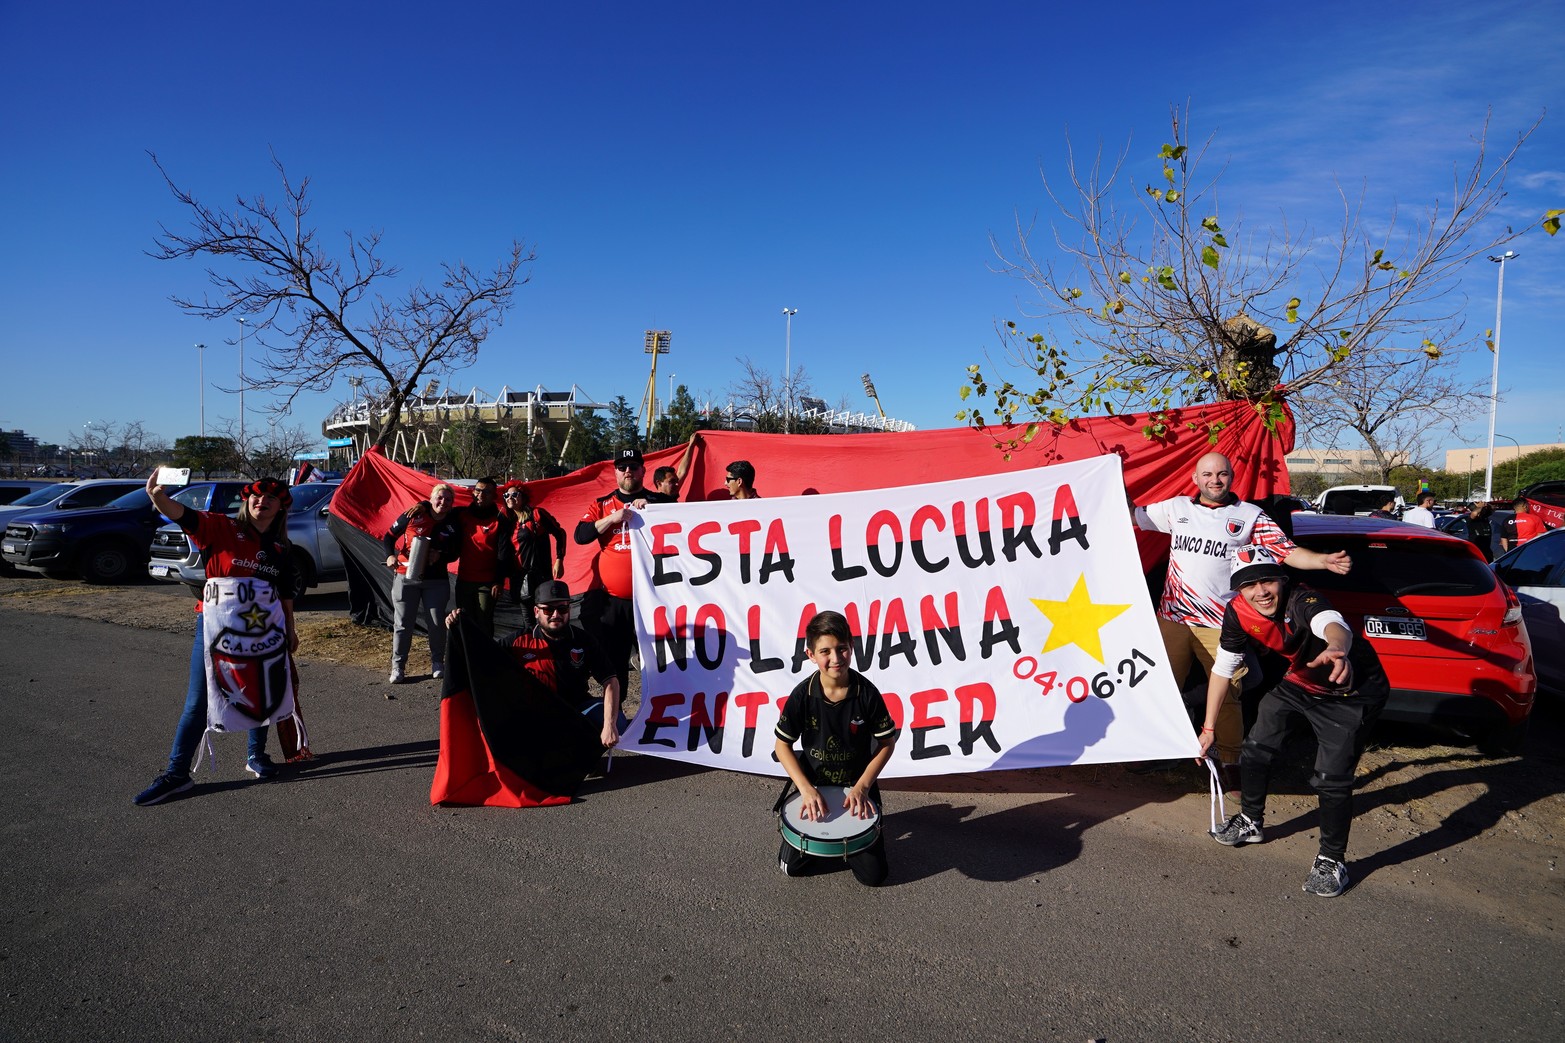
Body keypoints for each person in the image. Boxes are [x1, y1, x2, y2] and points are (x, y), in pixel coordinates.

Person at [1133, 451, 1352, 765]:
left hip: (1221, 626)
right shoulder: (1176, 508)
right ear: (1195, 479)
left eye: (1221, 474)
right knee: (1160, 692)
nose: (1215, 480)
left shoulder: (1249, 515)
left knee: (1228, 699)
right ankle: (1151, 753)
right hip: (1172, 619)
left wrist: (1322, 561)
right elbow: (1130, 515)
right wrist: (1112, 477)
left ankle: (1233, 766)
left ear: (1231, 477)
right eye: (1207, 475)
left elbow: (1286, 553)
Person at [1200, 545, 1388, 898]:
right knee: (1255, 748)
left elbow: (1333, 624)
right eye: (1249, 585)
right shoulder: (1237, 612)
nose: (1261, 592)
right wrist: (1209, 728)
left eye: (1268, 580)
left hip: (1350, 692)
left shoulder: (1302, 599)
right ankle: (1251, 821)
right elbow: (1223, 669)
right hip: (1300, 681)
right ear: (1238, 590)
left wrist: (1337, 648)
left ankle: (1332, 860)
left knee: (1331, 778)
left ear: (1282, 581)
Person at [133, 472, 299, 806]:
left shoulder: (282, 549)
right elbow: (183, 515)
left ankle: (256, 755)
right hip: (215, 630)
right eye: (255, 496)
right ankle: (177, 774)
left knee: (261, 690)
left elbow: (284, 594)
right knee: (199, 701)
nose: (261, 502)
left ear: (281, 507)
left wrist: (291, 630)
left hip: (264, 632)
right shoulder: (221, 527)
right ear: (246, 500)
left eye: (270, 498)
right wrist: (157, 497)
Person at [774, 610, 900, 886]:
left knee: (874, 877)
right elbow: (782, 745)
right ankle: (828, 843)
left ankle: (850, 843)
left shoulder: (867, 693)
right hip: (815, 786)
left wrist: (863, 786)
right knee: (790, 868)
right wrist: (806, 790)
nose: (835, 658)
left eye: (842, 649)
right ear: (810, 654)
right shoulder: (802, 695)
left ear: (851, 647)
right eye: (825, 651)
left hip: (858, 786)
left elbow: (887, 743)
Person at [447, 579, 622, 748]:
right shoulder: (518, 641)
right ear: (536, 611)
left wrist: (609, 724)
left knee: (618, 720)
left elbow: (610, 680)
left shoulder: (584, 640)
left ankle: (585, 757)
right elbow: (481, 655)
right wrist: (458, 627)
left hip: (576, 710)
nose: (556, 615)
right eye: (548, 610)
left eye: (562, 608)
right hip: (536, 713)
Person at [574, 448, 671, 701]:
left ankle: (662, 713)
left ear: (643, 471)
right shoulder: (602, 504)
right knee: (615, 662)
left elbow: (681, 517)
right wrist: (612, 518)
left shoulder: (657, 500)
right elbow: (581, 535)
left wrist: (653, 507)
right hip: (614, 601)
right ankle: (617, 717)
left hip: (653, 599)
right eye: (622, 467)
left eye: (634, 466)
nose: (628, 471)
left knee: (660, 660)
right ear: (615, 472)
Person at [384, 483, 461, 684]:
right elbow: (388, 536)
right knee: (403, 624)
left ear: (452, 503)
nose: (443, 502)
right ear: (431, 498)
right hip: (405, 576)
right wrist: (389, 556)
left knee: (436, 623)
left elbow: (456, 551)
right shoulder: (413, 514)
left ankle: (437, 663)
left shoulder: (453, 522)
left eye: (448, 499)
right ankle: (398, 667)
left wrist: (441, 554)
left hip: (436, 581)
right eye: (439, 498)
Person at [451, 476, 508, 635]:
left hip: (487, 583)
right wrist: (423, 505)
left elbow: (503, 553)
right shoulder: (460, 514)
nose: (481, 495)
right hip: (464, 580)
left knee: (484, 622)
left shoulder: (499, 519)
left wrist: (499, 581)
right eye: (478, 490)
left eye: (487, 492)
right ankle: (467, 656)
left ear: (494, 496)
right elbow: (438, 508)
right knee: (464, 620)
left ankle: (485, 657)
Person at [500, 480, 567, 608]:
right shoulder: (508, 522)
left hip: (540, 577)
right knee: (528, 622)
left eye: (514, 494)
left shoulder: (537, 514)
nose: (509, 498)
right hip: (519, 578)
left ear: (523, 496)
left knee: (543, 614)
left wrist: (559, 559)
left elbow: (560, 533)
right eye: (506, 495)